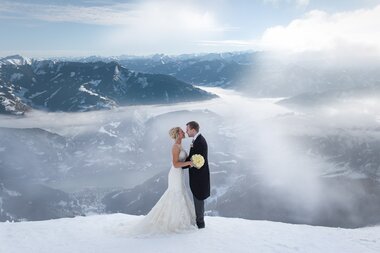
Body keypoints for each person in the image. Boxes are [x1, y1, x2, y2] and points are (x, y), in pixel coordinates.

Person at [131, 127, 196, 235]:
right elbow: (175, 164)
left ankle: (181, 220)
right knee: (176, 194)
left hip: (180, 173)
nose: (184, 132)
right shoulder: (175, 147)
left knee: (181, 193)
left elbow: (182, 160)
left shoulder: (180, 145)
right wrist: (189, 163)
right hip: (175, 174)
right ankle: (175, 223)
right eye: (181, 131)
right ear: (177, 134)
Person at [183, 121, 210, 229]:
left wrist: (181, 165)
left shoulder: (200, 142)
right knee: (197, 199)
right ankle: (199, 221)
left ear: (193, 130)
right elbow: (192, 158)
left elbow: (197, 162)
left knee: (198, 198)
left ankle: (200, 223)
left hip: (199, 178)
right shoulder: (197, 140)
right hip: (198, 177)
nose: (186, 131)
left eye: (187, 129)